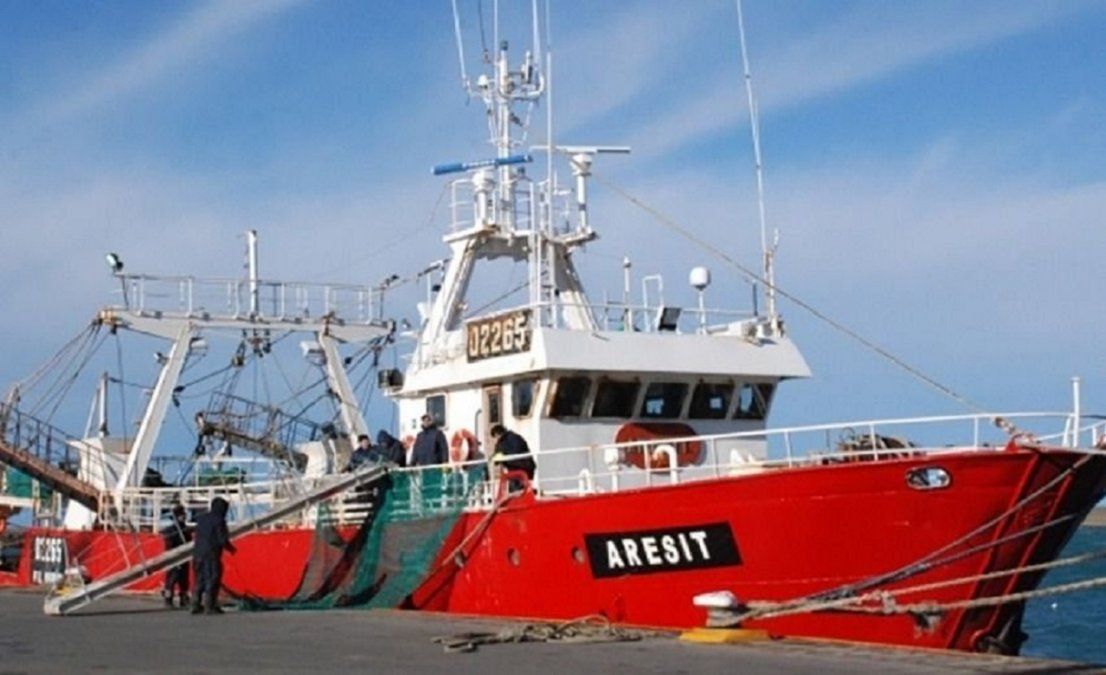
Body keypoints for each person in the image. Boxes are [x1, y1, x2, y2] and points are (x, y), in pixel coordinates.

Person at [191, 497, 237, 615]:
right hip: (211, 555)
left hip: (197, 554)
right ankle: (209, 606)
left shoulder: (201, 519)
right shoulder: (219, 520)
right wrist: (231, 549)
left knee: (199, 580)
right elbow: (221, 539)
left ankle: (195, 604)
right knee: (212, 579)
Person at [160, 504, 191, 608]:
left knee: (184, 578)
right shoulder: (171, 530)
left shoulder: (185, 529)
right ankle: (168, 598)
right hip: (174, 556)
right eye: (182, 515)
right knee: (172, 578)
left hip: (184, 555)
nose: (184, 516)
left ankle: (184, 597)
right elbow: (169, 544)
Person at [490, 424, 536, 489]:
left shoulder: (512, 439)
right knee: (517, 489)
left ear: (497, 433)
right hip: (518, 468)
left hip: (522, 467)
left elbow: (516, 450)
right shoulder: (508, 440)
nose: (496, 438)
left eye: (496, 436)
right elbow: (498, 454)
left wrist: (502, 456)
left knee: (519, 490)